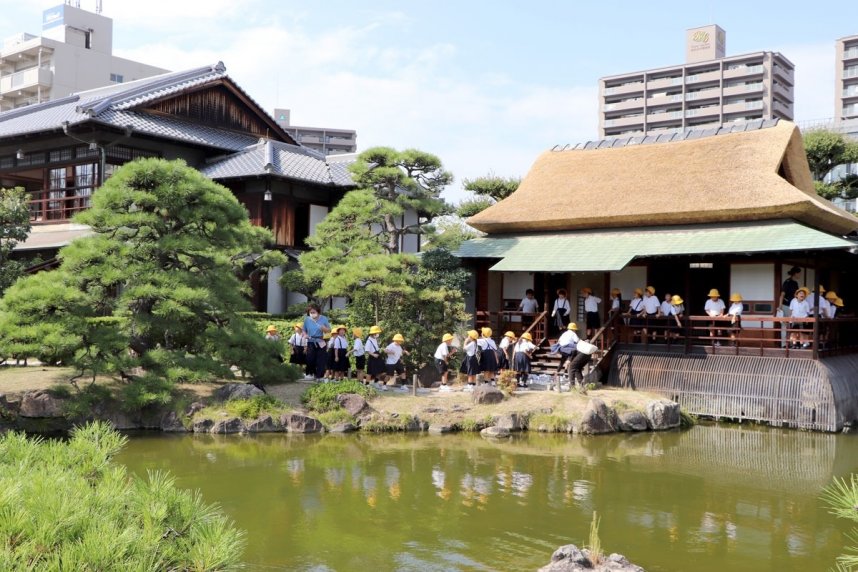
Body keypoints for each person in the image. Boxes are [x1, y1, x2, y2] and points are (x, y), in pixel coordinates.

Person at [302, 303, 331, 381]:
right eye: (310, 312)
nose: (312, 314)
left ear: (318, 311)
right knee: (310, 358)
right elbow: (304, 330)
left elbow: (329, 330)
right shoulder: (307, 319)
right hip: (311, 341)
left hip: (321, 341)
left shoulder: (324, 318)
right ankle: (310, 374)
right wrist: (305, 335)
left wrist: (323, 328)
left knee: (321, 359)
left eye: (314, 312)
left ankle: (320, 376)